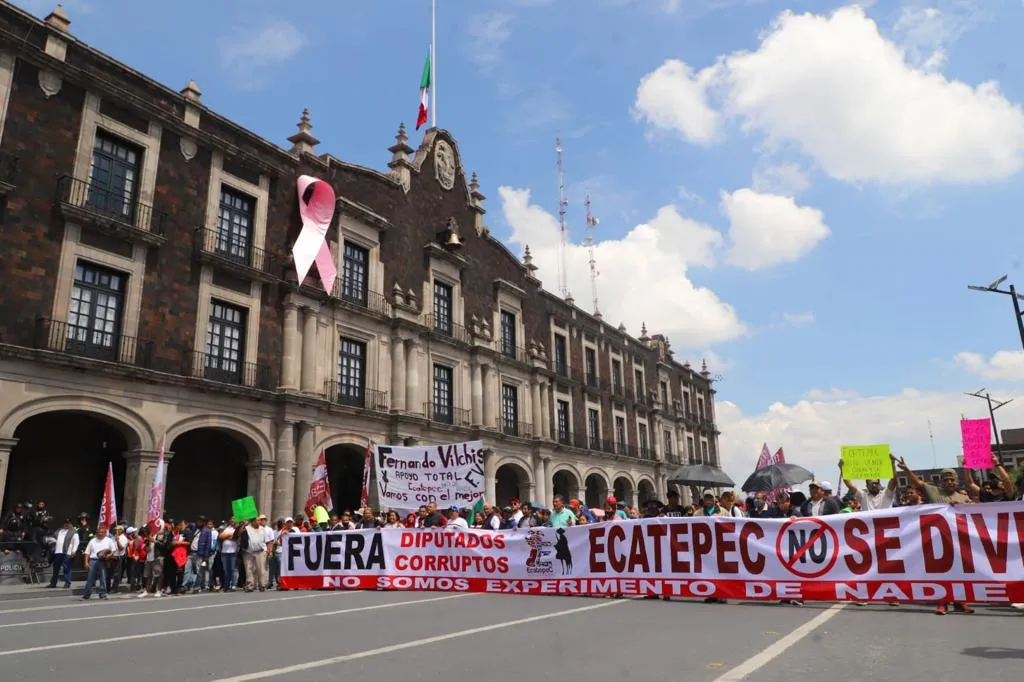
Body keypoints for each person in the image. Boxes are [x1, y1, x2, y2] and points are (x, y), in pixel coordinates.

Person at [81, 524, 117, 600]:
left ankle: (103, 594)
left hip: (103, 561)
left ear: (105, 533)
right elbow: (87, 552)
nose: (100, 534)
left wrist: (109, 555)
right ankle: (86, 595)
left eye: (102, 532)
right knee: (90, 578)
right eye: (99, 532)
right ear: (96, 533)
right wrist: (86, 562)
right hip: (93, 561)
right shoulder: (92, 540)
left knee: (103, 578)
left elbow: (113, 550)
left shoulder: (109, 540)